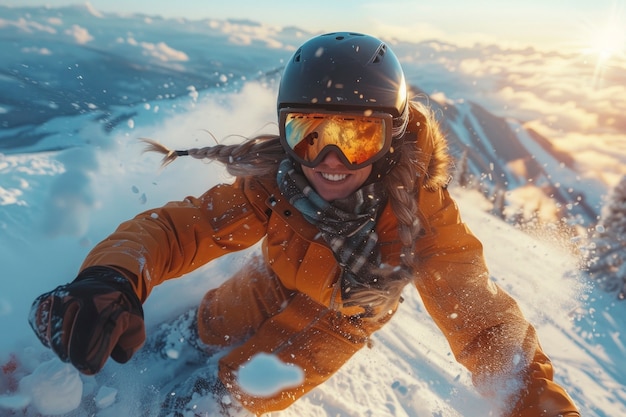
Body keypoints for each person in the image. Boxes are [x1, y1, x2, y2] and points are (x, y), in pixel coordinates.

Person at [28, 32, 580, 416]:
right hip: (257, 288)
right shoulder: (275, 187)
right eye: (310, 134)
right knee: (181, 339)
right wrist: (114, 277)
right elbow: (182, 227)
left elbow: (485, 325)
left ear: (391, 137)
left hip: (328, 332)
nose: (330, 160)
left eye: (357, 136)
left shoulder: (421, 220)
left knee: (207, 402)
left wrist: (534, 404)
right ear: (285, 131)